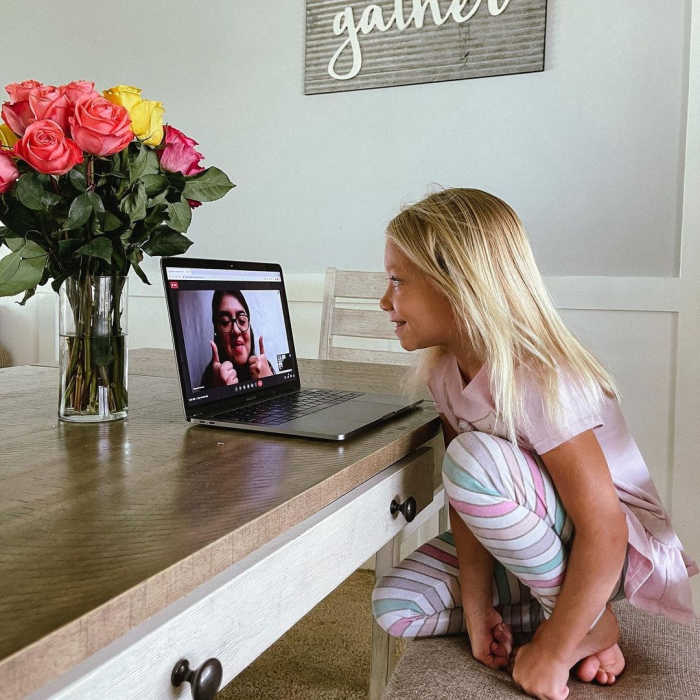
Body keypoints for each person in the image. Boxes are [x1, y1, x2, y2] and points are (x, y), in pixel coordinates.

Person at [371, 188, 697, 700]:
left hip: (605, 553)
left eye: (397, 281)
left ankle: (585, 623)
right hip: (524, 545)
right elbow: (464, 505)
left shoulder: (540, 380)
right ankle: (574, 617)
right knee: (395, 605)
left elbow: (605, 529)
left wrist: (553, 647)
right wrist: (478, 612)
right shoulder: (444, 375)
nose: (384, 301)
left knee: (471, 461)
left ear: (459, 284)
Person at [201, 290, 274, 388]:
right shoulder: (211, 378)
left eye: (242, 320)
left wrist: (269, 382)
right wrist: (218, 392)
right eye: (225, 322)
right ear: (216, 331)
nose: (236, 330)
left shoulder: (264, 368)